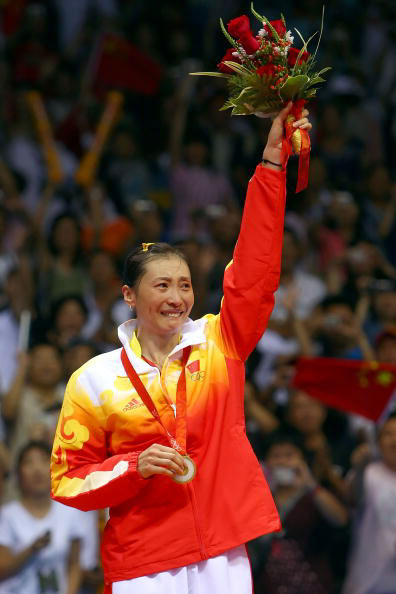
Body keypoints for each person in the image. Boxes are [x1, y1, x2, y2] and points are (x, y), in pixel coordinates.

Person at [50, 103, 312, 593]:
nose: (177, 298)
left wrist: (273, 167)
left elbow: (254, 274)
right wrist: (132, 466)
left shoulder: (219, 343)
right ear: (129, 294)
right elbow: (67, 480)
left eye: (185, 286)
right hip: (144, 560)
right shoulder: (94, 379)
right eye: (162, 286)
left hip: (221, 550)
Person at [0, 440, 92, 594]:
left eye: (43, 460)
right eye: (29, 463)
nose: (37, 469)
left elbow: (74, 565)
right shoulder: (7, 515)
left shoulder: (70, 511)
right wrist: (31, 550)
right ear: (18, 474)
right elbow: (2, 568)